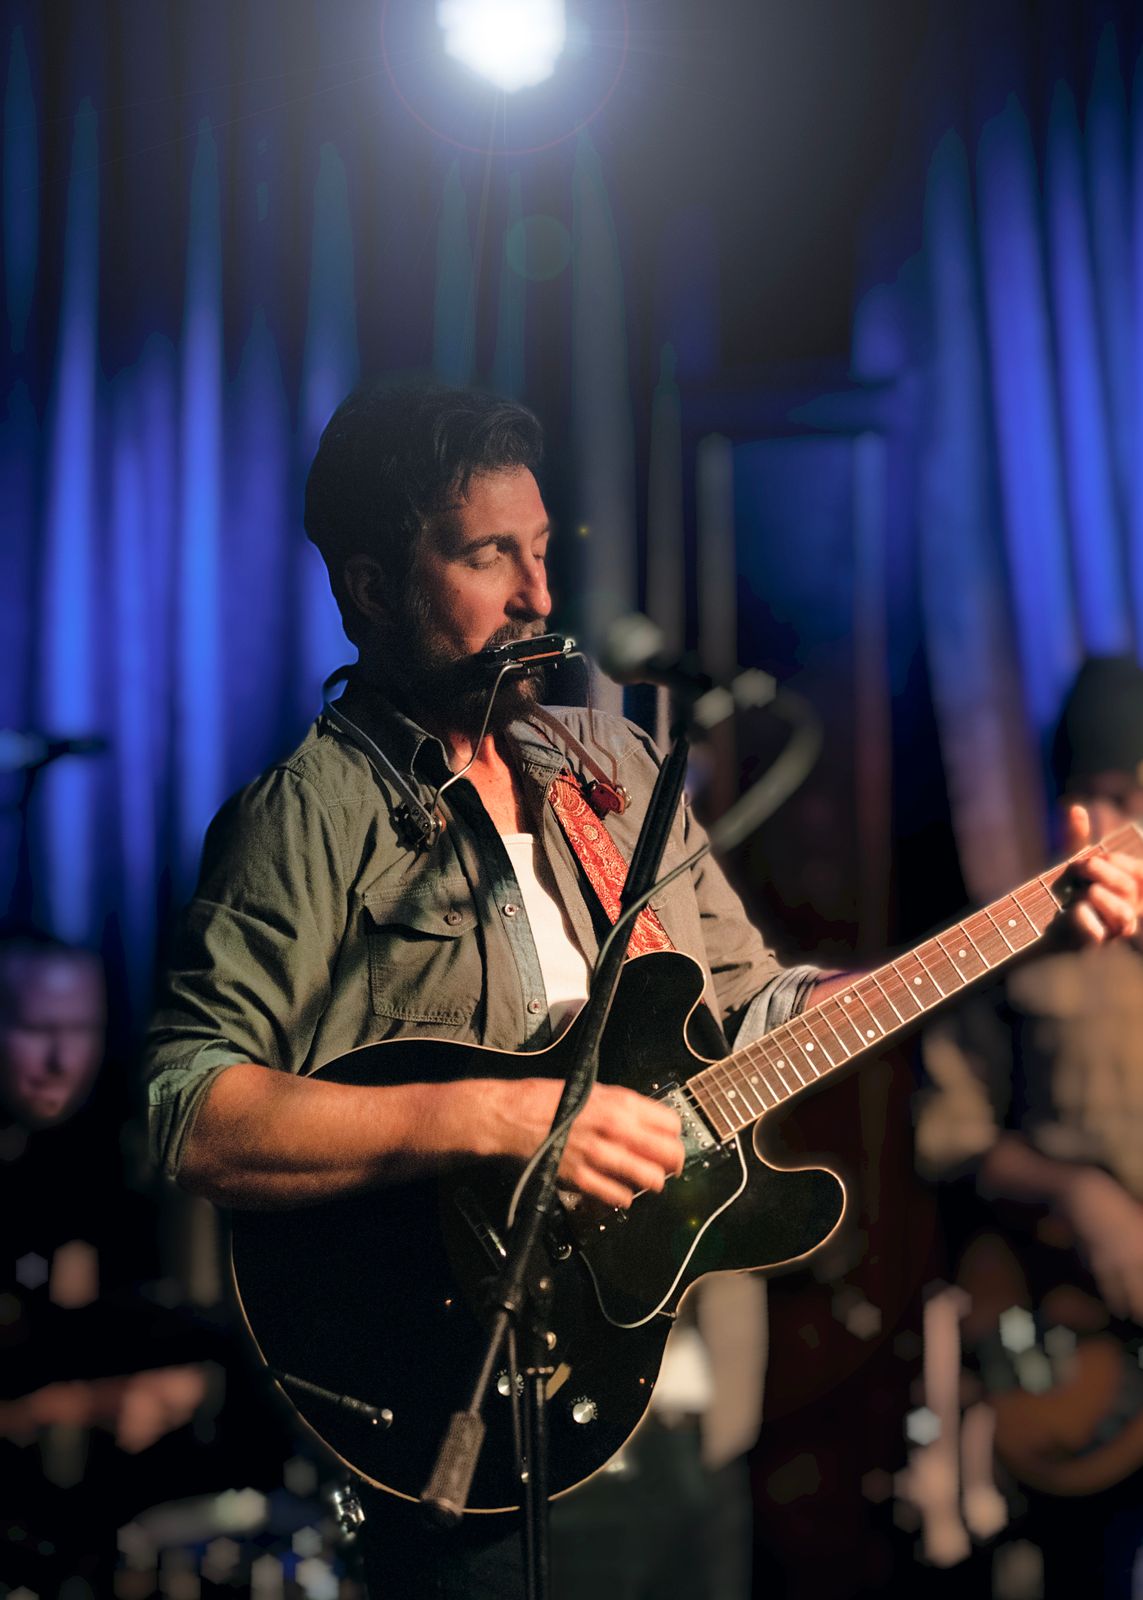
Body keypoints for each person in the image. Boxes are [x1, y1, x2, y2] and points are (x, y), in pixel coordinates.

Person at [143, 385, 1143, 1599]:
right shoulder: (306, 816)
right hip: (453, 1402)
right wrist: (510, 1116)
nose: (539, 595)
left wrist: (1024, 931)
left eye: (542, 550)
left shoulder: (611, 766)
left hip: (671, 1405)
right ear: (371, 588)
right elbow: (187, 1110)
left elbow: (764, 1010)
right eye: (488, 556)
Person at [915, 656, 1143, 1600]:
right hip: (1082, 1355)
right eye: (1096, 796)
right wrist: (1078, 1196)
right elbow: (948, 1137)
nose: (1119, 824)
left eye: (1136, 795)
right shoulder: (1017, 948)